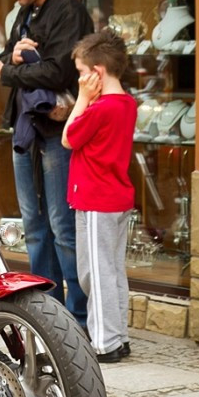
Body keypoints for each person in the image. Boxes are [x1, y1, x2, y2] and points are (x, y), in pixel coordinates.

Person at [0, 0, 93, 328]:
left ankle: (77, 318)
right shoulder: (24, 13)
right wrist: (12, 57)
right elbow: (14, 59)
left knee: (62, 227)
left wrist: (5, 71)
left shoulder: (69, 12)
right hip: (26, 129)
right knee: (34, 226)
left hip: (57, 132)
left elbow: (60, 73)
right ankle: (47, 315)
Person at [61, 30, 137, 363]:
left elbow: (68, 138)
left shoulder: (98, 109)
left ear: (97, 72)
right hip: (115, 198)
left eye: (81, 73)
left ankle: (105, 343)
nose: (79, 79)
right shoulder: (127, 104)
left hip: (95, 200)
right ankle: (118, 336)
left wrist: (81, 99)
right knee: (113, 270)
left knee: (95, 273)